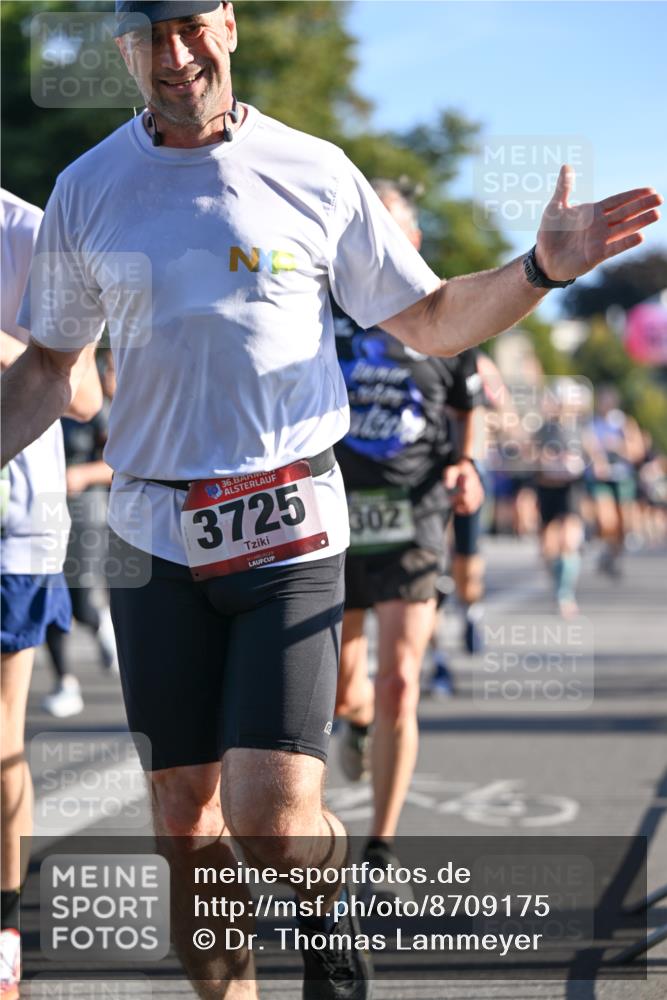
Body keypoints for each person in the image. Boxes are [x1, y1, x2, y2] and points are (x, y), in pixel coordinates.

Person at [0, 2, 661, 997]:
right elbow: (53, 367)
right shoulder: (90, 188)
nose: (175, 56)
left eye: (192, 25)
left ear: (226, 24)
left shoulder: (310, 169)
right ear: (123, 47)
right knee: (184, 820)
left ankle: (323, 883)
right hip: (152, 534)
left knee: (269, 820)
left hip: (290, 529)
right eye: (149, 34)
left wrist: (535, 272)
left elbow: (433, 319)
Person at [333, 180, 485, 868]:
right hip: (331, 513)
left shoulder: (445, 317)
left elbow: (464, 405)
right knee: (341, 686)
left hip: (414, 514)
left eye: (396, 233)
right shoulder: (324, 311)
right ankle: (355, 722)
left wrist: (466, 464)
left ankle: (379, 849)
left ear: (414, 242)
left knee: (398, 677)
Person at [0, 188, 101, 1000]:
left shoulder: (31, 232)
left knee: (0, 737)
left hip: (10, 528)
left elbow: (90, 395)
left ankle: (4, 928)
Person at [43, 351, 117, 718]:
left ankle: (102, 623)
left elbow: (121, 463)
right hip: (45, 513)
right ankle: (65, 684)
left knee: (81, 600)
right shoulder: (38, 401)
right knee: (48, 594)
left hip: (87, 513)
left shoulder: (97, 408)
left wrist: (83, 475)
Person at [533, 378, 588, 618]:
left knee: (569, 540)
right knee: (549, 546)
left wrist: (579, 462)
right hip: (547, 488)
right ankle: (558, 583)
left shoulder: (580, 427)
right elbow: (530, 455)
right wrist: (544, 459)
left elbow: (593, 455)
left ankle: (564, 595)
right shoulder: (543, 429)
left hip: (570, 488)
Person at [584, 385, 646, 576]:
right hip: (602, 478)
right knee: (606, 519)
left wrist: (619, 445)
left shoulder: (625, 424)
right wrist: (597, 459)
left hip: (622, 477)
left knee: (623, 524)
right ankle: (599, 541)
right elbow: (587, 448)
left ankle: (612, 555)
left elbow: (637, 453)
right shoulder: (592, 424)